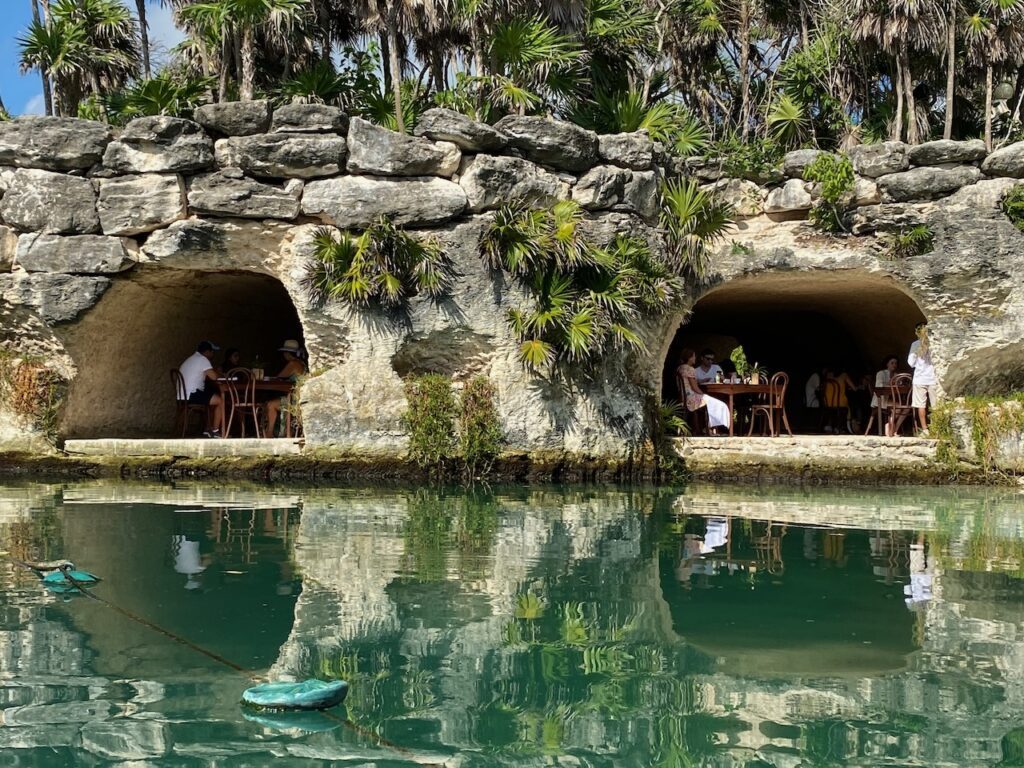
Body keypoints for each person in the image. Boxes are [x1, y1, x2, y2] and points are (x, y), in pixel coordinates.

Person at [676, 348, 731, 433]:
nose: (695, 358)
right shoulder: (690, 369)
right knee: (718, 404)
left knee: (713, 402)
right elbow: (695, 387)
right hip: (691, 398)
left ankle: (709, 428)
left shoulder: (680, 368)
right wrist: (703, 394)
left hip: (684, 397)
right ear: (689, 358)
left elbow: (688, 383)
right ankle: (712, 429)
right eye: (694, 356)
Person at [178, 340, 224, 438]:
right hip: (192, 394)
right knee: (220, 401)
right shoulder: (203, 360)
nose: (213, 354)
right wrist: (219, 373)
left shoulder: (190, 359)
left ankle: (208, 429)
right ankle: (215, 431)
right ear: (207, 352)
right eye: (212, 352)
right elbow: (214, 377)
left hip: (182, 395)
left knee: (211, 397)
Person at [264, 339, 308, 437]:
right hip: (298, 397)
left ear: (287, 353)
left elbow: (279, 376)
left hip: (294, 400)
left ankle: (269, 433)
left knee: (271, 404)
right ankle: (284, 430)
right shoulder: (301, 363)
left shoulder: (293, 364)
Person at [907, 321, 936, 435]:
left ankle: (925, 430)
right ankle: (936, 427)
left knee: (921, 405)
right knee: (935, 405)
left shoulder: (915, 344)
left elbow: (911, 363)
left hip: (919, 378)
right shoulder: (933, 343)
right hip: (933, 377)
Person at [869, 355, 900, 436]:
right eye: (892, 363)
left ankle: (893, 428)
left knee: (906, 408)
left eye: (895, 363)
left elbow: (899, 384)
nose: (894, 365)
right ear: (887, 364)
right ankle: (889, 427)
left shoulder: (896, 375)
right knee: (898, 407)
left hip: (890, 399)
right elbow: (879, 385)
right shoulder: (881, 373)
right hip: (880, 400)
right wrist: (890, 383)